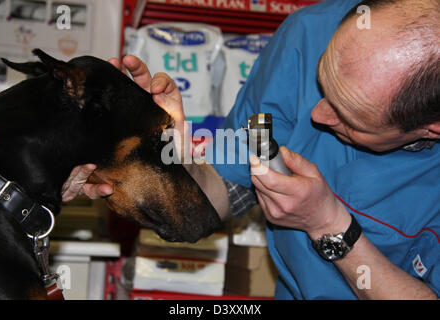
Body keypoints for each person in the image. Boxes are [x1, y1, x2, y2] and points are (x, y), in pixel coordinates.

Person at [61, 0, 439, 299]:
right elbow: (222, 196)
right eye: (322, 83)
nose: (317, 115)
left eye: (349, 117)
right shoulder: (308, 35)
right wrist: (165, 156)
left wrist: (329, 226)